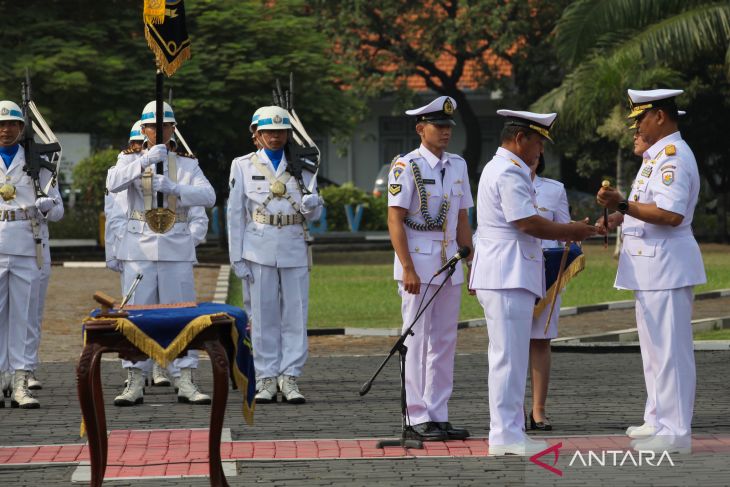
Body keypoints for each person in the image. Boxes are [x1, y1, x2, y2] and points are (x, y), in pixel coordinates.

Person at [470, 109, 596, 456]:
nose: (541, 150)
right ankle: (505, 436)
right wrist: (572, 230)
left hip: (508, 271)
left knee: (508, 357)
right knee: (508, 359)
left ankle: (508, 432)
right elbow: (527, 223)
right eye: (538, 142)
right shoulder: (510, 171)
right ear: (520, 139)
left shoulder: (506, 168)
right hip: (507, 273)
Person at [596, 89, 705, 454]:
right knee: (654, 350)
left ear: (660, 116)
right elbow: (642, 208)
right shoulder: (654, 157)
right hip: (648, 265)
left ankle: (676, 432)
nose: (637, 125)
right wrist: (614, 217)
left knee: (671, 350)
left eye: (641, 118)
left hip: (667, 265)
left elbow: (671, 215)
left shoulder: (674, 157)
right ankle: (658, 418)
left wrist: (622, 203)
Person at [107, 101, 216, 406]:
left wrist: (176, 187)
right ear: (143, 130)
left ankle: (185, 377)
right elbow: (112, 184)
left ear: (173, 129)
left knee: (181, 315)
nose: (158, 131)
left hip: (175, 247)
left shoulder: (187, 165)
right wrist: (142, 162)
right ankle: (135, 378)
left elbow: (209, 196)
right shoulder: (126, 160)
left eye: (164, 126)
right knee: (136, 316)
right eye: (152, 127)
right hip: (138, 248)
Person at [385, 96, 474, 442]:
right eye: (439, 126)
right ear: (422, 129)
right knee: (417, 340)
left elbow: (463, 216)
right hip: (418, 265)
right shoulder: (405, 167)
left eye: (449, 126)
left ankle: (438, 413)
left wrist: (471, 262)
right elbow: (395, 219)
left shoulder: (458, 165)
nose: (446, 132)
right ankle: (416, 414)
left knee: (445, 340)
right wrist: (407, 267)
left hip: (450, 262)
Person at [227, 105, 323, 404]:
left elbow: (315, 213)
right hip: (258, 246)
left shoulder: (303, 165)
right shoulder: (242, 165)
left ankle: (290, 376)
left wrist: (313, 205)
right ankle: (266, 376)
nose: (275, 137)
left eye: (280, 131)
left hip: (294, 243)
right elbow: (234, 214)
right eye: (268, 131)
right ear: (256, 134)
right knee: (263, 314)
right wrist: (236, 257)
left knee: (295, 314)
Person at [0, 100, 63, 408]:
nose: (5, 129)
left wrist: (47, 207)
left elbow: (58, 208)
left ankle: (21, 380)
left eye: (11, 124)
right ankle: (1, 377)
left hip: (27, 244)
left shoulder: (37, 161)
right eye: (1, 125)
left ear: (21, 128)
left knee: (24, 317)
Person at [527, 154, 570, 432]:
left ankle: (538, 410)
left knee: (541, 340)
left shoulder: (554, 189)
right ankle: (510, 410)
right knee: (510, 344)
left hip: (547, 272)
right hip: (512, 269)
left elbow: (566, 231)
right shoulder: (498, 179)